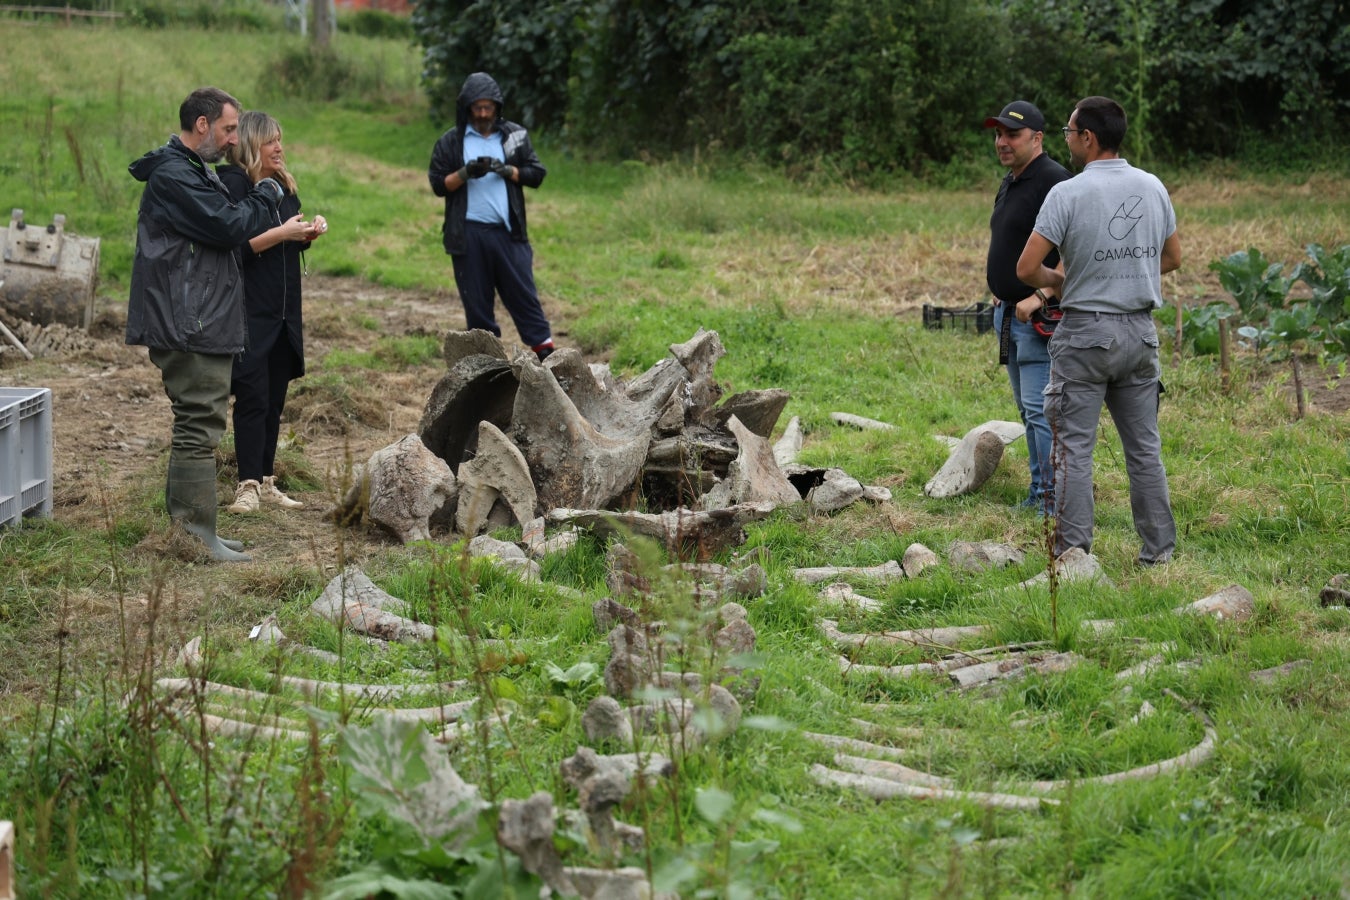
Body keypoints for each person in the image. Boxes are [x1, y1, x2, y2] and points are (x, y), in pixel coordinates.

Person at [1016, 96, 1182, 566]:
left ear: (1087, 137)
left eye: (1069, 133)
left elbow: (1028, 267)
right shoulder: (1152, 187)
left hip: (1086, 335)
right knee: (1145, 450)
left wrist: (1056, 280)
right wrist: (1129, 274)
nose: (1067, 141)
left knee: (1073, 449)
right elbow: (1172, 258)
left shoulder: (1068, 193)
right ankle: (1158, 555)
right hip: (1140, 334)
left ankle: (1074, 556)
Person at [126, 87, 284, 562]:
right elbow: (230, 225)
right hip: (187, 322)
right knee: (199, 423)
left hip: (194, 317)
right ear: (202, 124)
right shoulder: (177, 175)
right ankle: (196, 535)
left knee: (195, 422)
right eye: (229, 128)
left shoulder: (190, 171)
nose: (235, 140)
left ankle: (191, 530)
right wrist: (267, 191)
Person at [216, 111, 327, 514]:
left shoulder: (283, 187)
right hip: (248, 313)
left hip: (283, 313)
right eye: (270, 141)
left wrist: (306, 233)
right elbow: (236, 250)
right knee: (252, 396)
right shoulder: (234, 186)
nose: (279, 148)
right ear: (250, 145)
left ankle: (265, 481)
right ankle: (245, 486)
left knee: (275, 398)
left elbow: (286, 241)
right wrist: (284, 233)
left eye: (280, 139)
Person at [428, 72, 555, 361]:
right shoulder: (451, 141)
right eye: (477, 108)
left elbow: (536, 174)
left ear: (497, 107)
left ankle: (551, 364)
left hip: (509, 234)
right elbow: (438, 184)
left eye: (488, 107)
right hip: (468, 236)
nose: (483, 114)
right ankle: (489, 370)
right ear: (467, 107)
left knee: (525, 300)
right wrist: (466, 172)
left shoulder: (514, 136)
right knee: (477, 308)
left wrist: (505, 169)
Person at [983, 100, 1071, 513]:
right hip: (1009, 313)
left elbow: (1076, 250)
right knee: (1028, 410)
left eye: (1012, 135)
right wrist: (1001, 287)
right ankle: (1041, 492)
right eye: (998, 134)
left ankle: (1052, 501)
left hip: (1038, 317)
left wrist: (1041, 295)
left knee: (1041, 412)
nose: (1002, 142)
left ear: (1037, 138)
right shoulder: (1012, 179)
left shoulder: (1055, 181)